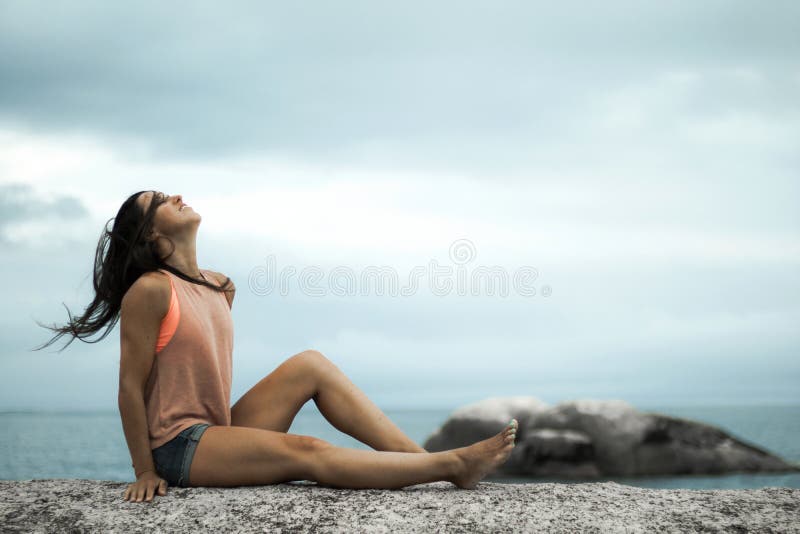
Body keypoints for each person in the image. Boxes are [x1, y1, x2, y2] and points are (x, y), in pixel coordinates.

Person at [35, 190, 518, 503]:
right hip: (177, 446)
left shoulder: (220, 286)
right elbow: (128, 387)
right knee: (304, 449)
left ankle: (422, 465)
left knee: (311, 364)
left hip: (215, 429)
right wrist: (143, 469)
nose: (176, 195)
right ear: (153, 236)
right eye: (160, 200)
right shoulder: (152, 290)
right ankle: (452, 464)